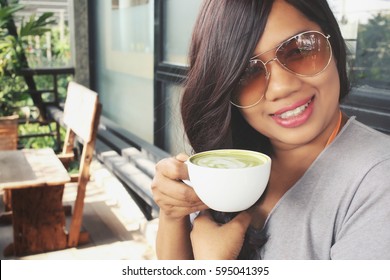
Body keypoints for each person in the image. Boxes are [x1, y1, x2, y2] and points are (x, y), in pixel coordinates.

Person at [151, 0, 390, 260]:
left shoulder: (378, 183)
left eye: (299, 50)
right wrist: (173, 213)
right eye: (247, 72)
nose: (281, 87)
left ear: (332, 44)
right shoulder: (232, 158)